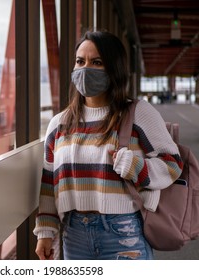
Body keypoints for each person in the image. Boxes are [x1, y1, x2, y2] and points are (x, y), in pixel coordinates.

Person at [33, 30, 183, 260]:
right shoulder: (59, 124)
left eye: (97, 62)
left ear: (114, 68)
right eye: (80, 61)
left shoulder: (138, 113)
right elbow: (48, 181)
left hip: (123, 231)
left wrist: (135, 166)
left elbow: (173, 163)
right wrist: (45, 231)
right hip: (74, 235)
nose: (85, 69)